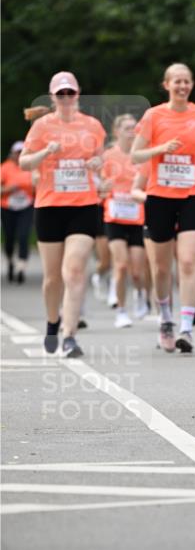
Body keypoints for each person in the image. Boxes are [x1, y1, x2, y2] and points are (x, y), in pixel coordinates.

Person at [19, 71, 105, 357]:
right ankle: (52, 322)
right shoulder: (42, 126)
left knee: (75, 270)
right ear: (53, 97)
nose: (66, 98)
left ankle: (70, 335)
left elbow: (101, 158)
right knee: (52, 277)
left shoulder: (92, 126)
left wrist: (96, 162)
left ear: (78, 94)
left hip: (83, 205)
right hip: (50, 206)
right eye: (61, 94)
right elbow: (24, 162)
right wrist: (44, 153)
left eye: (70, 93)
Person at [131, 63, 195, 353]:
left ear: (191, 84)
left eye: (187, 81)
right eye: (177, 81)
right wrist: (160, 150)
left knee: (188, 261)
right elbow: (134, 154)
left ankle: (186, 329)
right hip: (160, 196)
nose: (182, 86)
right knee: (161, 267)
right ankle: (165, 319)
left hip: (192, 194)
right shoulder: (154, 115)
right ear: (166, 85)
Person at [102, 114, 148, 328]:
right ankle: (121, 310)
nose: (131, 131)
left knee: (137, 272)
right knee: (120, 265)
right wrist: (104, 187)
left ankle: (140, 294)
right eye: (127, 128)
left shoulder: (141, 157)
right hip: (114, 217)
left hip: (137, 218)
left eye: (134, 127)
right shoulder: (108, 156)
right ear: (116, 131)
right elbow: (100, 186)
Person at [1, 140, 34, 283]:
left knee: (23, 235)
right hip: (8, 207)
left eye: (22, 152)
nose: (20, 155)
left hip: (26, 207)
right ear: (13, 154)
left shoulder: (31, 168)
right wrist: (9, 189)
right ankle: (10, 261)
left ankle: (21, 268)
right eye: (17, 152)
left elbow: (39, 187)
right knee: (9, 238)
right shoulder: (5, 168)